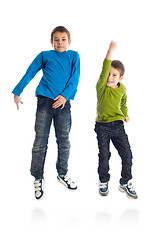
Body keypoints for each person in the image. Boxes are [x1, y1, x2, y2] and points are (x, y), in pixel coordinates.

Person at [12, 26, 80, 200]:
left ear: (69, 41)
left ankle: (62, 174)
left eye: (63, 39)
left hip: (63, 104)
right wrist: (17, 91)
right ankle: (37, 177)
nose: (59, 42)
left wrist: (65, 96)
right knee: (40, 141)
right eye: (56, 39)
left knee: (64, 141)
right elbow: (31, 72)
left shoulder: (74, 56)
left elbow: (75, 78)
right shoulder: (45, 55)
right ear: (51, 42)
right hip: (44, 101)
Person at [94, 41, 138, 199]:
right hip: (102, 127)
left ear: (121, 78)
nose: (110, 77)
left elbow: (124, 101)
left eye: (114, 75)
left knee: (127, 154)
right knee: (104, 155)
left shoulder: (122, 89)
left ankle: (125, 182)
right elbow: (105, 68)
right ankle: (103, 180)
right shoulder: (101, 86)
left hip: (118, 126)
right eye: (109, 74)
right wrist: (110, 50)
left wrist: (125, 113)